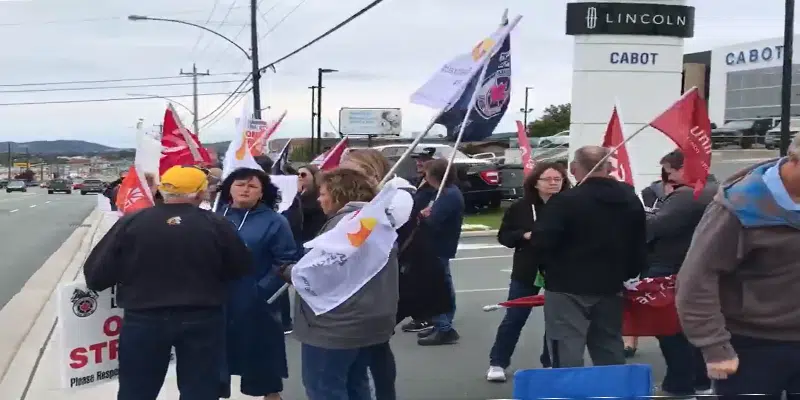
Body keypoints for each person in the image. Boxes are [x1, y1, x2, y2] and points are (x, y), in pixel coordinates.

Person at [83, 165, 251, 400]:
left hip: (144, 319)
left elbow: (96, 275)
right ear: (201, 193)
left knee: (137, 391)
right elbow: (241, 268)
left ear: (162, 192)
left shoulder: (133, 222)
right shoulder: (217, 225)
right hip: (202, 319)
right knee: (200, 391)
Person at [676, 134, 800, 398]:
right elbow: (696, 279)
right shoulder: (740, 206)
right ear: (795, 160)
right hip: (752, 346)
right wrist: (714, 347)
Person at [280, 168, 399, 400]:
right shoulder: (378, 222)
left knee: (325, 388)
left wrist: (288, 271)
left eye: (323, 193)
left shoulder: (344, 227)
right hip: (370, 320)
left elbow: (321, 273)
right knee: (356, 385)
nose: (319, 198)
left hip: (334, 326)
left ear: (338, 194)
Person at [532, 146, 646, 367]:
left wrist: (547, 268)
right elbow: (639, 240)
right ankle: (613, 391)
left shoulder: (564, 202)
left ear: (575, 169)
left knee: (566, 346)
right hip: (610, 283)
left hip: (567, 285)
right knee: (608, 344)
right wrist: (629, 271)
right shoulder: (629, 199)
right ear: (609, 167)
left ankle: (571, 390)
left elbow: (542, 242)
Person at [214, 168, 298, 400]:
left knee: (262, 361)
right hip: (217, 299)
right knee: (214, 362)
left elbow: (286, 260)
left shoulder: (275, 221)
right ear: (229, 188)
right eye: (240, 184)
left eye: (252, 186)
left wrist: (261, 291)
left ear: (262, 193)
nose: (245, 190)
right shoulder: (216, 217)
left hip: (257, 301)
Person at [340, 148, 415, 400]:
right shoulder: (355, 193)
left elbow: (383, 226)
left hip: (381, 280)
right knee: (358, 350)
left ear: (372, 170)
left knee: (376, 347)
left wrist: (372, 197)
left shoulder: (399, 194)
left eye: (354, 170)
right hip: (354, 279)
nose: (347, 175)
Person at [486, 162, 570, 381]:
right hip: (527, 268)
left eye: (558, 179)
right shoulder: (521, 207)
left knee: (555, 319)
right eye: (548, 179)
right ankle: (498, 362)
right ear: (536, 182)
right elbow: (504, 236)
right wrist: (523, 235)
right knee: (515, 316)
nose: (553, 183)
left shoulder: (569, 205)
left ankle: (550, 362)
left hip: (560, 270)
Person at [644, 150, 714, 396]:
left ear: (683, 168)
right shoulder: (715, 190)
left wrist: (643, 216)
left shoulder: (687, 196)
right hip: (701, 267)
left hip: (671, 268)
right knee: (696, 326)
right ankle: (701, 381)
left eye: (670, 171)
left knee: (670, 330)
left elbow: (656, 226)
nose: (668, 177)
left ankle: (679, 384)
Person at [417, 158, 465, 346]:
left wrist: (422, 216)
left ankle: (444, 327)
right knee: (442, 283)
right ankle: (441, 324)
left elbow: (432, 222)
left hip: (437, 245)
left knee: (437, 287)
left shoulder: (448, 195)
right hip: (438, 244)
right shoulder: (443, 193)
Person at [297, 164, 327, 243]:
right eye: (297, 174)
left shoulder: (321, 199)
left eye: (303, 175)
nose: (299, 177)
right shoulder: (291, 199)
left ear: (314, 178)